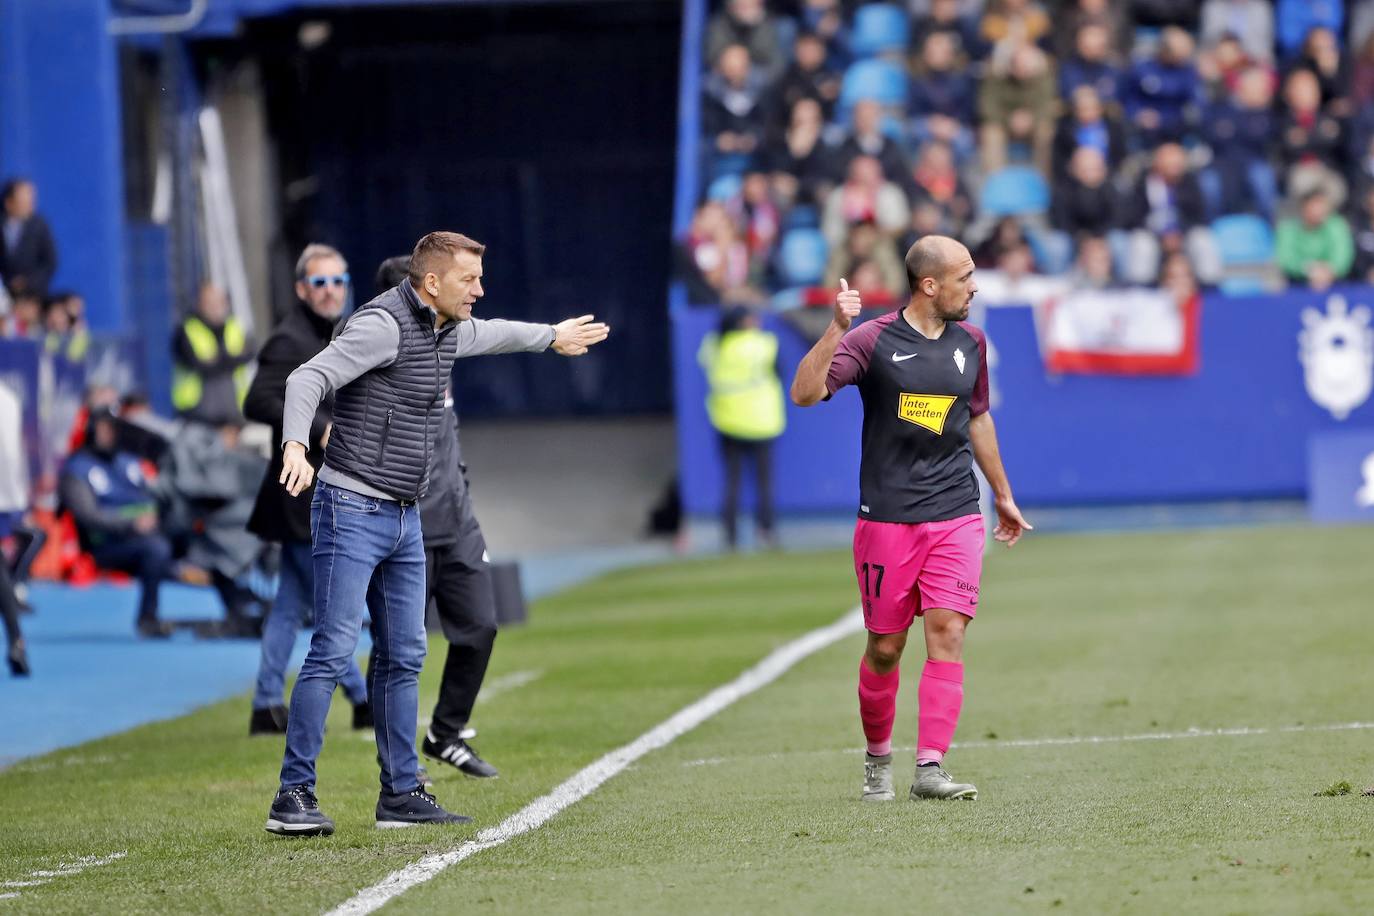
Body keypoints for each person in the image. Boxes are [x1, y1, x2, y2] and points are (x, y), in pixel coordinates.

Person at [265, 231, 608, 836]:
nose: (480, 290)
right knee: (334, 649)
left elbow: (496, 332)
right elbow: (304, 381)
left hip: (405, 515)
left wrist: (551, 336)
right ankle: (293, 794)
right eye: (469, 279)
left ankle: (401, 793)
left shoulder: (446, 328)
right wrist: (296, 444)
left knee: (405, 655)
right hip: (350, 508)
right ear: (431, 283)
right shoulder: (382, 326)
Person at [789, 235, 1031, 803]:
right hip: (888, 518)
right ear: (929, 285)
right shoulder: (871, 340)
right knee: (885, 647)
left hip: (956, 512)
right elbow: (804, 394)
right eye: (965, 277)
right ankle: (878, 758)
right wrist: (835, 329)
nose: (974, 287)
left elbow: (978, 419)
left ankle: (930, 767)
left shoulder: (972, 343)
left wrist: (1002, 494)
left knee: (948, 632)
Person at [244, 244, 371, 736]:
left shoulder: (330, 332)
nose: (331, 290)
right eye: (320, 283)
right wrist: (317, 428)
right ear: (301, 289)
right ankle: (362, 698)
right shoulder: (289, 339)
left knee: (293, 602)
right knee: (329, 605)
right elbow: (256, 401)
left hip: (306, 492)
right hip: (298, 494)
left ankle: (265, 703)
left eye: (338, 281)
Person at [59, 409, 177, 639]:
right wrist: (131, 523)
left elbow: (153, 494)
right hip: (107, 543)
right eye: (103, 429)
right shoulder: (78, 468)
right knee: (156, 549)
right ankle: (147, 617)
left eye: (112, 429)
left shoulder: (128, 461)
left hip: (151, 531)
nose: (109, 434)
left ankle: (237, 604)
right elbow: (88, 516)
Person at [698, 306, 786, 550]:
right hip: (762, 422)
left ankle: (730, 535)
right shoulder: (764, 344)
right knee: (764, 481)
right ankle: (766, 531)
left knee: (732, 480)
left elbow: (706, 363)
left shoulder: (714, 346)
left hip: (727, 422)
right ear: (744, 321)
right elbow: (780, 373)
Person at [172, 284, 255, 427]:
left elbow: (250, 353)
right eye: (209, 303)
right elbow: (201, 366)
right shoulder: (188, 329)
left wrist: (217, 360)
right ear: (199, 304)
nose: (215, 307)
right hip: (197, 417)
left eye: (219, 302)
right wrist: (232, 359)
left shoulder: (236, 326)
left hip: (236, 416)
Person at [0, 379, 29, 675]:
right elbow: (11, 455)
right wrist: (14, 500)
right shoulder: (7, 398)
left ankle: (17, 641)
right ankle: (16, 641)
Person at [0, 178, 57, 299]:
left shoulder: (39, 225)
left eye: (31, 200)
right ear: (8, 203)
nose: (30, 205)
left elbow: (49, 262)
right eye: (23, 201)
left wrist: (27, 282)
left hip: (32, 295)